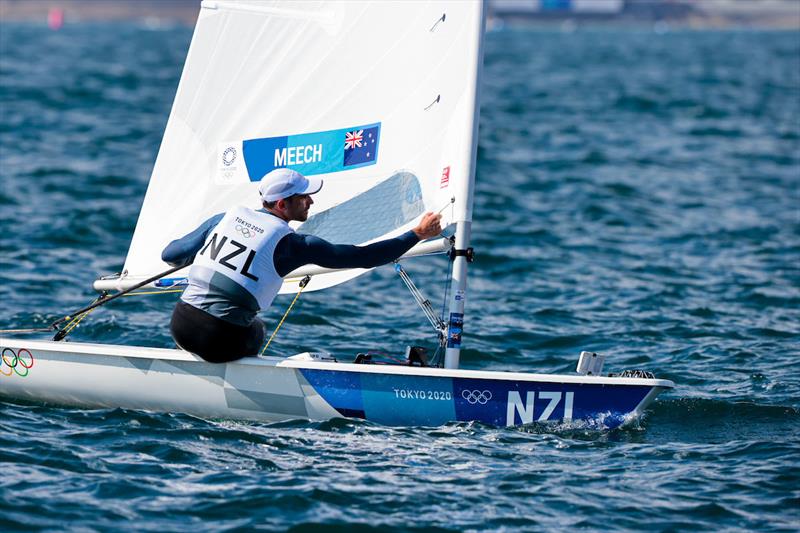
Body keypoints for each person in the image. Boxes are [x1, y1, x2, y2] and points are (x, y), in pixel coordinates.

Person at [162, 168, 442, 363]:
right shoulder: (294, 245)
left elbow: (171, 254)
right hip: (221, 340)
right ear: (283, 204)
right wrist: (417, 234)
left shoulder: (223, 219)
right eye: (303, 197)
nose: (311, 200)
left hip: (180, 324)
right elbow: (365, 257)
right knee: (257, 327)